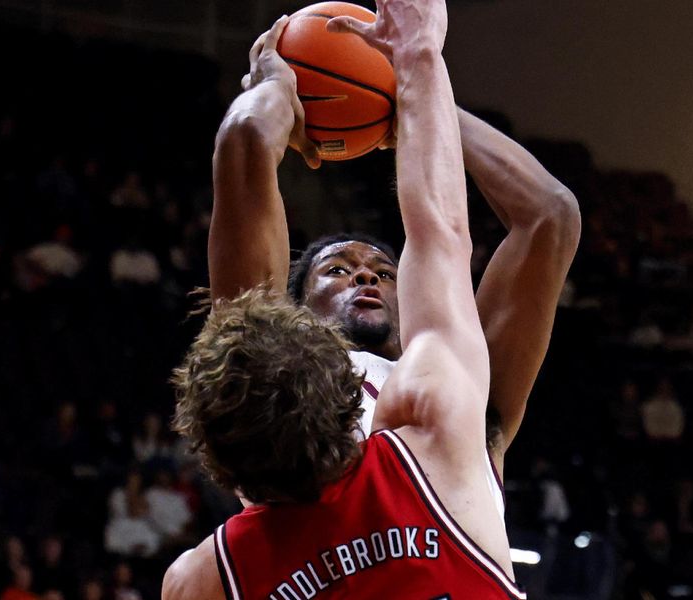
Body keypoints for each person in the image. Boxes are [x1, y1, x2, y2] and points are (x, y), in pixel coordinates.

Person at [162, 2, 525, 597]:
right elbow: (440, 230)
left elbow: (245, 137)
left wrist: (270, 98)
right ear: (354, 399)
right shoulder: (432, 443)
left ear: (217, 459)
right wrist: (417, 53)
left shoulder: (202, 580)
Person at [206, 0, 580, 486]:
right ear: (292, 312)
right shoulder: (265, 383)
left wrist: (413, 103)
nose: (365, 275)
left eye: (384, 273)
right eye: (336, 270)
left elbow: (551, 215)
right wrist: (276, 86)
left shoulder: (469, 393)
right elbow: (244, 139)